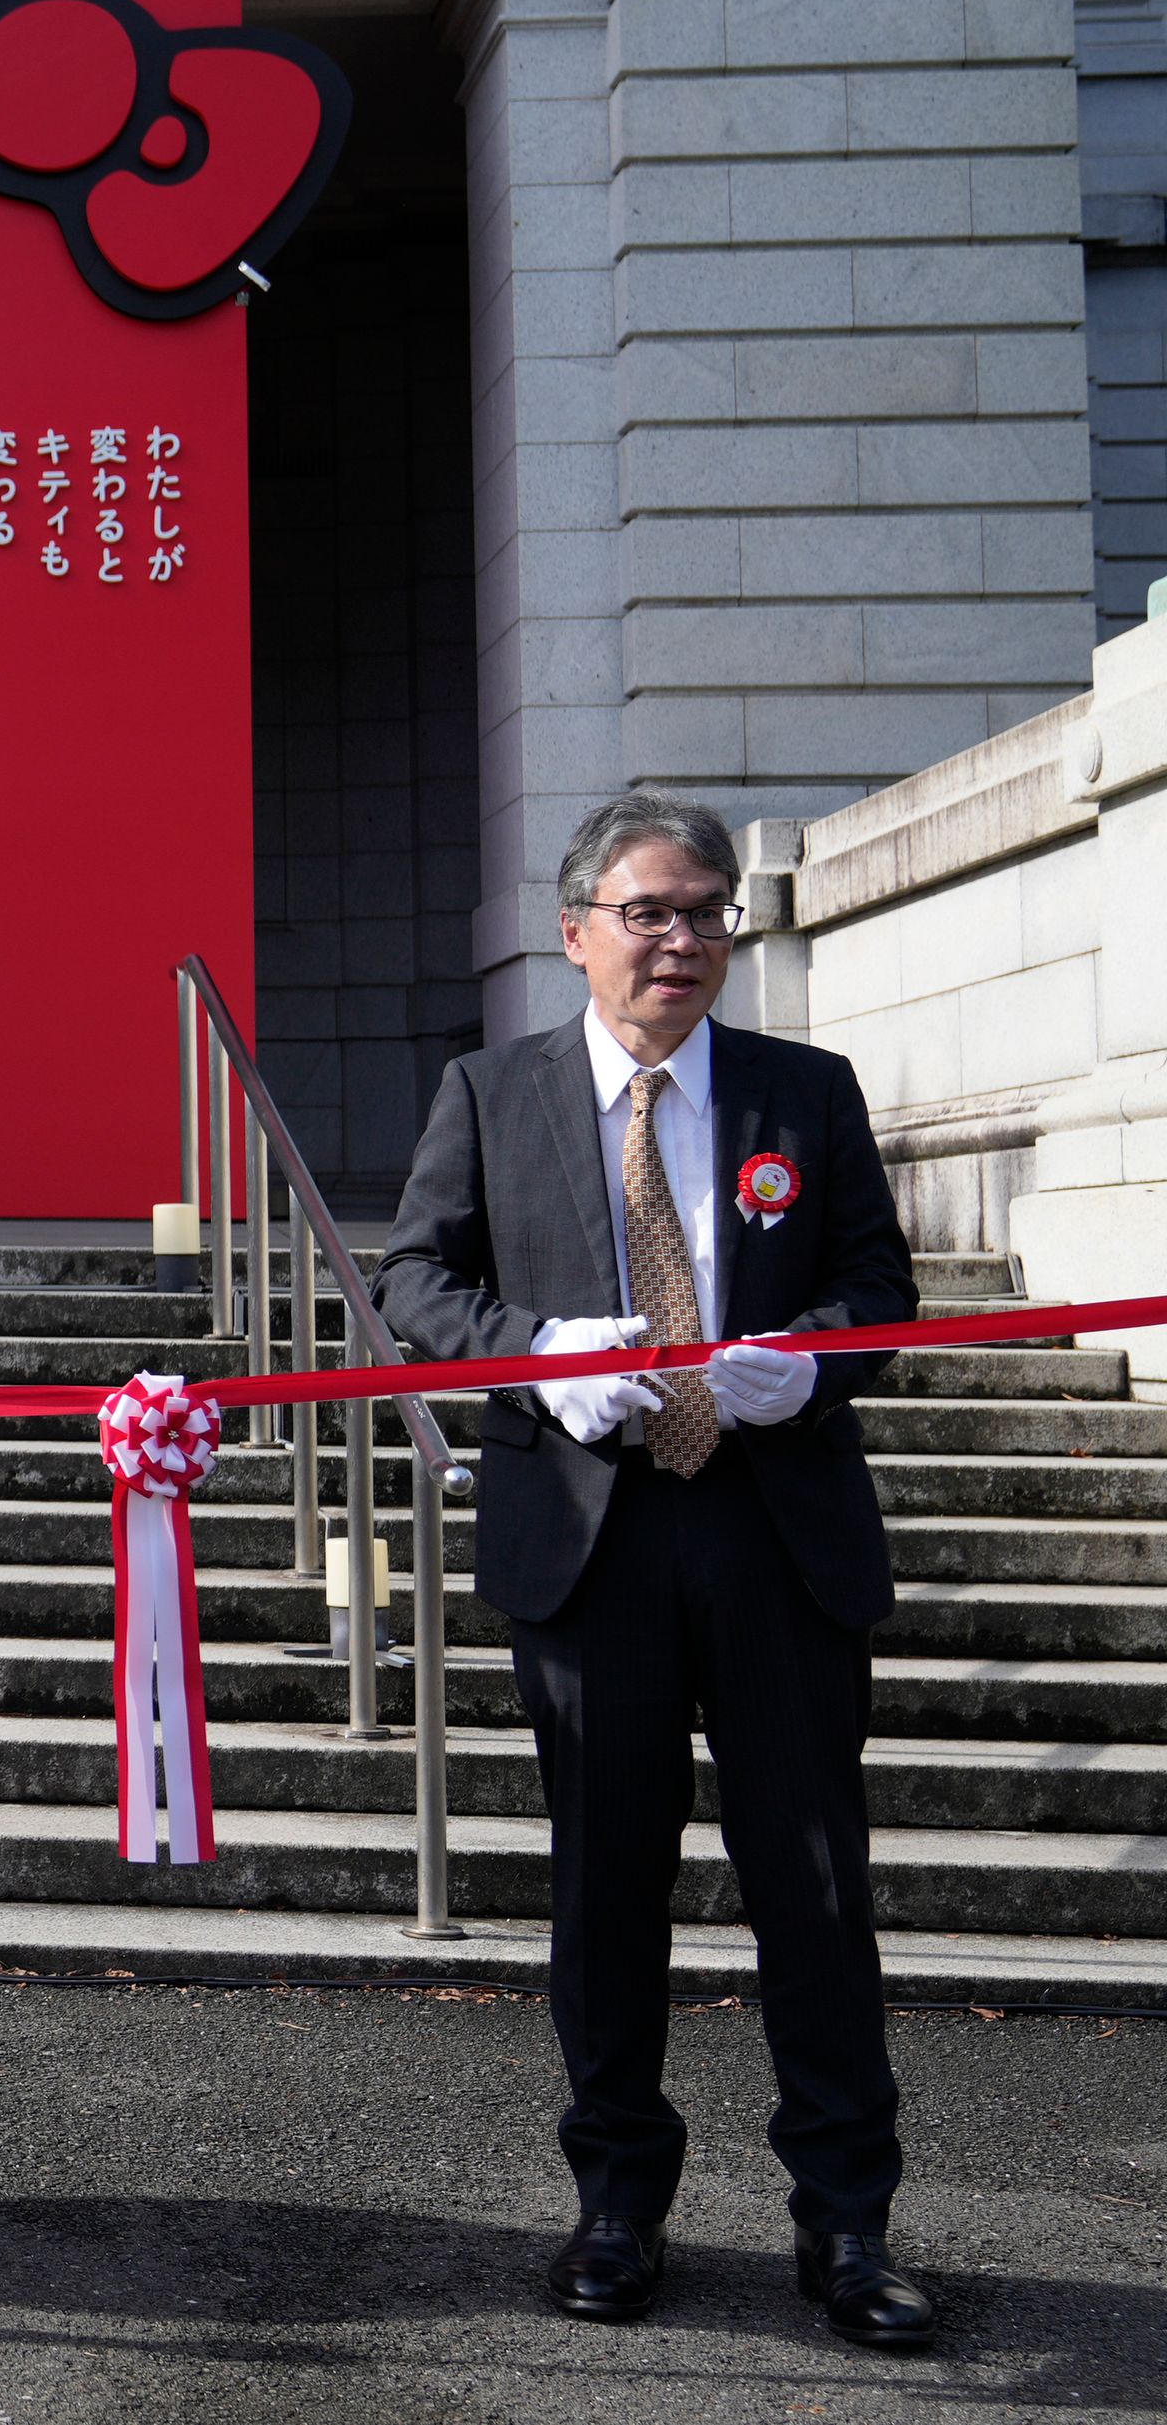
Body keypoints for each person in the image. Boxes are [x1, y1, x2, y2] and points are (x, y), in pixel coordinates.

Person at [374, 789, 930, 2348]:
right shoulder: (496, 1089)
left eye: (707, 913)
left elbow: (876, 1280)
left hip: (774, 1527)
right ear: (576, 935)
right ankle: (619, 2199)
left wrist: (811, 1363)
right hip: (589, 1535)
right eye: (649, 912)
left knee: (814, 1888)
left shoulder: (803, 1092)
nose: (682, 939)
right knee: (605, 1889)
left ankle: (849, 2223)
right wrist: (531, 1353)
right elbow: (418, 1274)